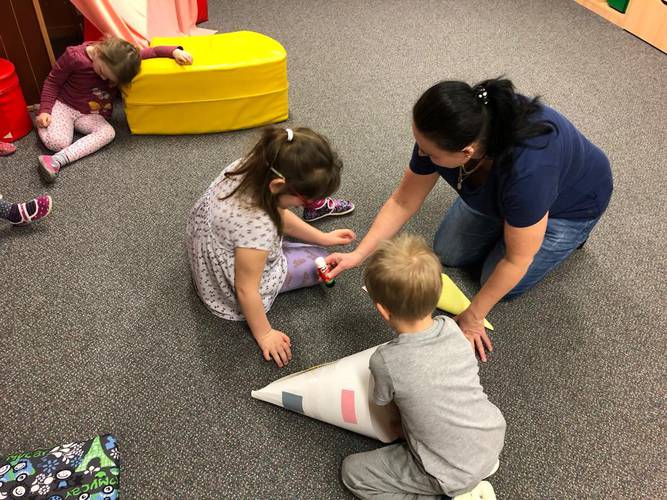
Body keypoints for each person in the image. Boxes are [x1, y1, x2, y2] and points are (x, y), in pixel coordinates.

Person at [327, 77, 613, 361]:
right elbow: (403, 201)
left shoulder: (529, 173)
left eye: (429, 152)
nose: (421, 154)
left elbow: (517, 260)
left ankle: (555, 232)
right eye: (420, 145)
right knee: (448, 251)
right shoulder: (446, 132)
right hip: (507, 197)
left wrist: (474, 317)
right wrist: (359, 254)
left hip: (570, 208)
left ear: (467, 153)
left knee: (495, 279)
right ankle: (513, 222)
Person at [341, 234, 505, 499]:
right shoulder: (452, 328)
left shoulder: (384, 360)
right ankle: (476, 472)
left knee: (353, 472)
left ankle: (452, 490)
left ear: (383, 311)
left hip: (445, 471)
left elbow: (383, 406)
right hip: (491, 438)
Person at [186, 126, 355, 367]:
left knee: (316, 248)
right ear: (277, 186)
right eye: (305, 201)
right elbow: (245, 289)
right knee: (320, 260)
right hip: (226, 287)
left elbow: (278, 213)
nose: (304, 206)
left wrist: (323, 236)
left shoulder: (250, 167)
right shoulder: (259, 226)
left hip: (215, 245)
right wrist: (265, 334)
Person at [35, 35, 193, 182]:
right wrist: (45, 111)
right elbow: (52, 82)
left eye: (109, 78)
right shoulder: (74, 56)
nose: (103, 78)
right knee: (58, 143)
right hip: (65, 106)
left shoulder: (123, 59)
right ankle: (42, 118)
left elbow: (153, 52)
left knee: (108, 132)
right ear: (100, 53)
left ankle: (57, 160)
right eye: (102, 72)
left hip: (89, 114)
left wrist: (175, 51)